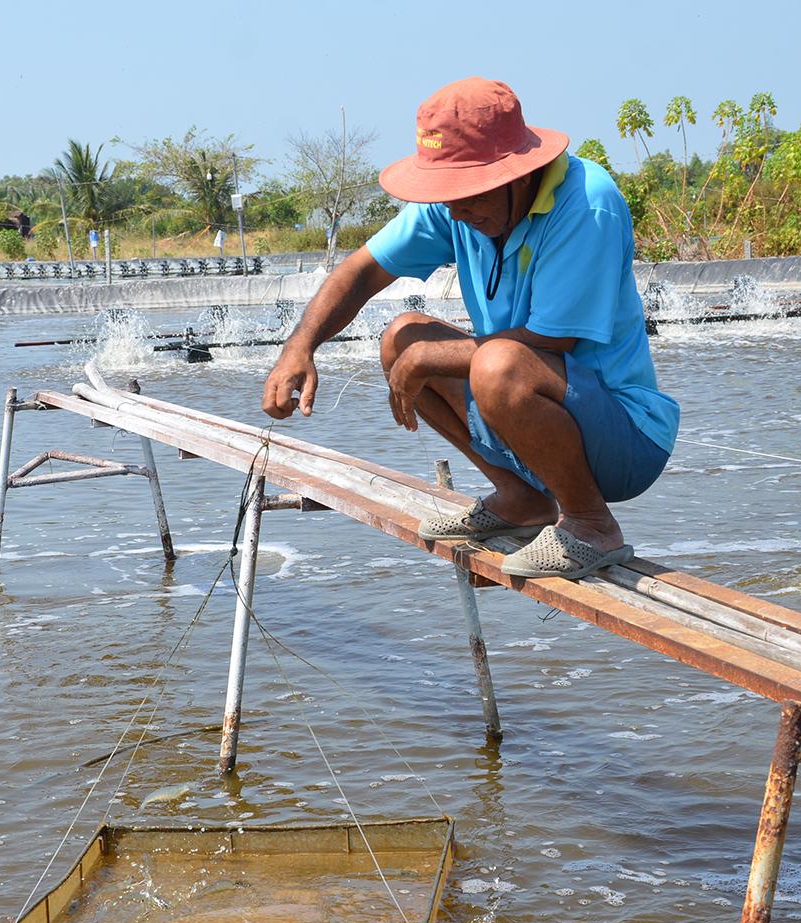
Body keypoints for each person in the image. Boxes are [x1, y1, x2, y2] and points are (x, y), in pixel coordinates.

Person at [262, 77, 678, 581]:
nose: (454, 211)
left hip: (624, 439)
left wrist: (428, 360)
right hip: (530, 421)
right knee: (402, 337)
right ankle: (522, 499)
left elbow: (551, 341)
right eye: (446, 195)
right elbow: (362, 271)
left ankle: (590, 523)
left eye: (467, 194)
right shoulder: (457, 208)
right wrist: (300, 347)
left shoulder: (586, 202)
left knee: (493, 363)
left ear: (519, 174)